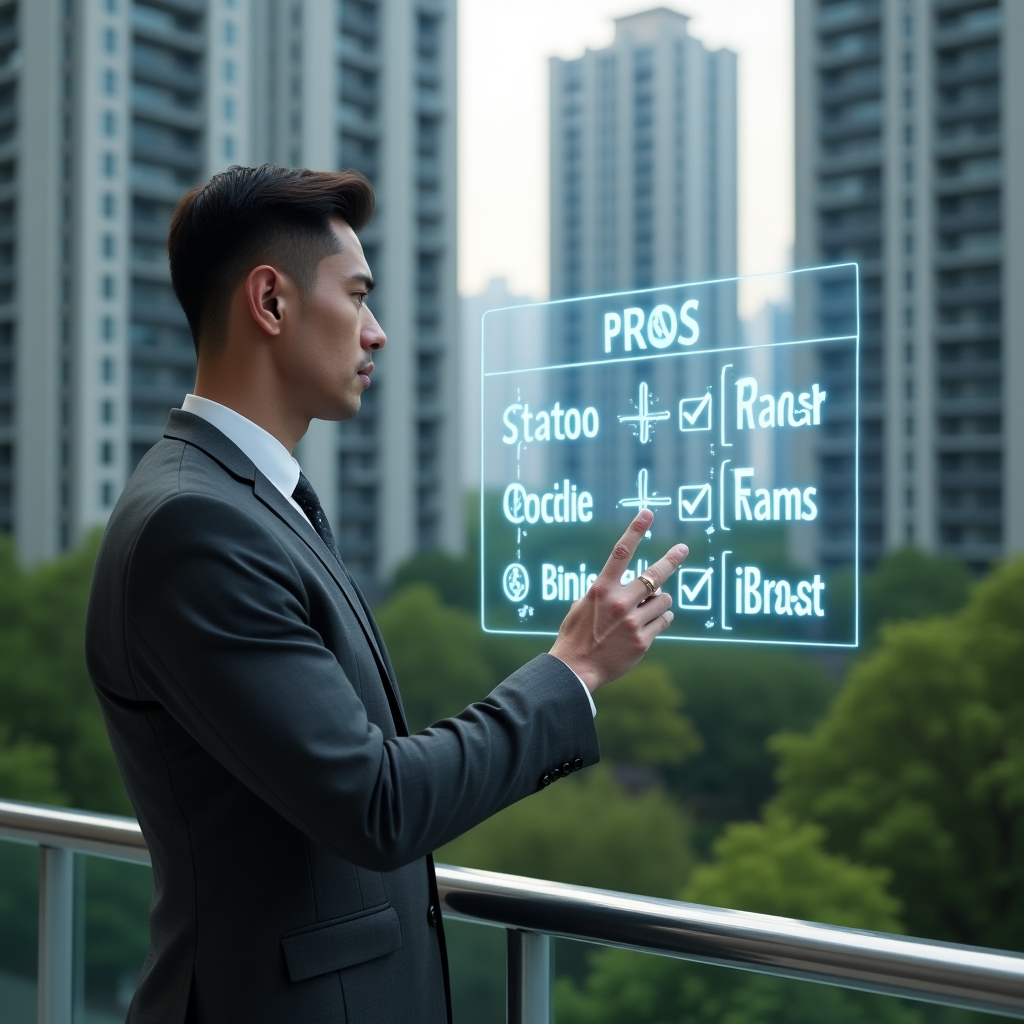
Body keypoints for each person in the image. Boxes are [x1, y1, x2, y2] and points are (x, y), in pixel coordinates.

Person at [85, 164, 687, 1023]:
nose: (379, 333)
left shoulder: (236, 501)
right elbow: (377, 804)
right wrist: (571, 670)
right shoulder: (196, 526)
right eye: (359, 296)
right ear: (272, 302)